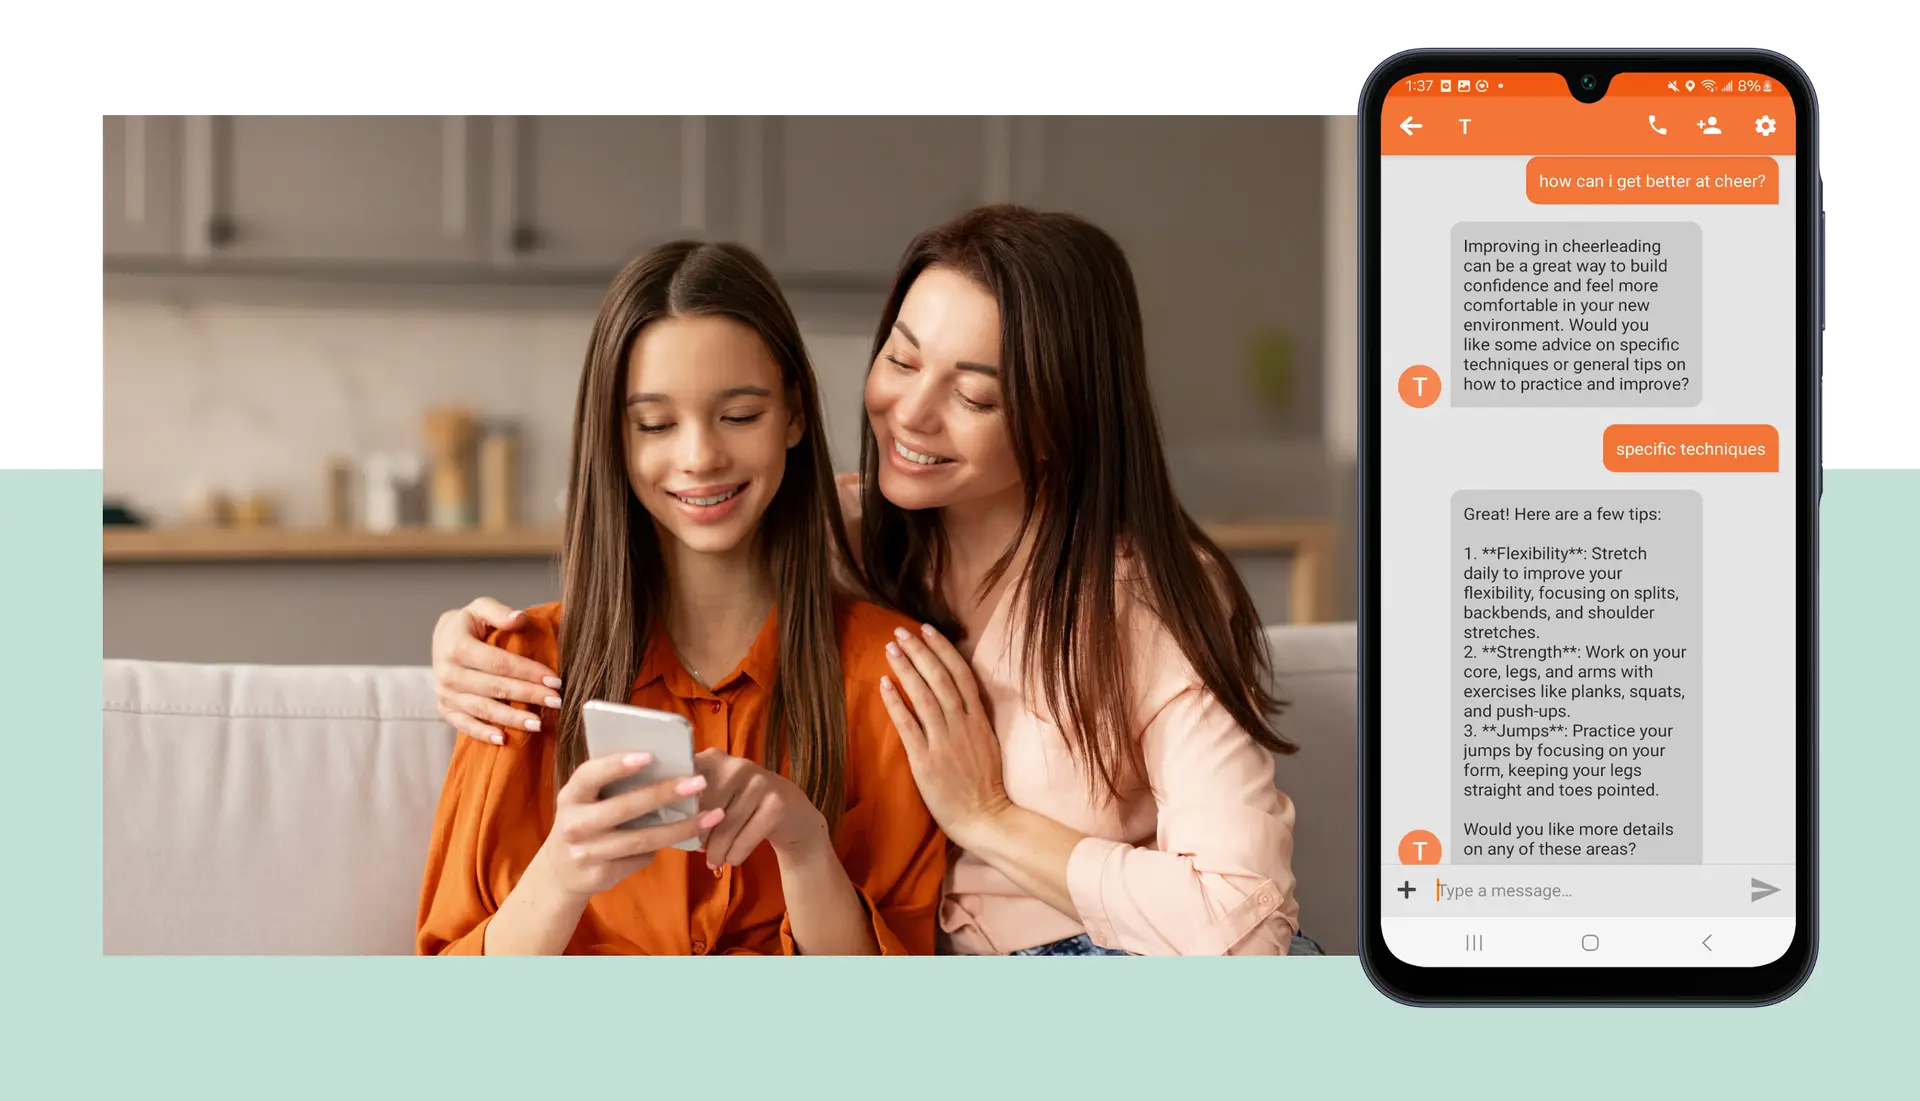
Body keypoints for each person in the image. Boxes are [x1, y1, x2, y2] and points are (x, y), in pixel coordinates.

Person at [430, 205, 1317, 956]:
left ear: (1061, 418)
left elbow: (1243, 926)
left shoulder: (1150, 598)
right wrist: (461, 643)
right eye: (899, 358)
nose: (910, 413)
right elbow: (692, 523)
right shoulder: (842, 532)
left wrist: (988, 815)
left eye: (975, 395)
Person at [416, 240, 945, 956]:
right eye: (656, 424)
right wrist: (562, 875)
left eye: (739, 415)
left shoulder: (891, 677)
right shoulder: (518, 674)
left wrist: (807, 848)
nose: (699, 456)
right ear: (614, 437)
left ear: (792, 414)